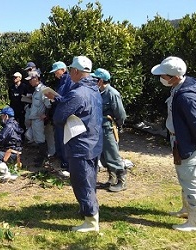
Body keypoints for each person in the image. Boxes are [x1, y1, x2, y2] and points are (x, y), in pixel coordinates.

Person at [151, 56, 196, 231]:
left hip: (187, 144)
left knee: (191, 181)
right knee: (185, 178)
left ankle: (195, 221)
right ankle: (187, 210)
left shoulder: (186, 97)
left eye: (164, 75)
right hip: (179, 140)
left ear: (175, 77)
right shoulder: (180, 87)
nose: (161, 78)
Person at [53, 56, 103, 232]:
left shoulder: (78, 93)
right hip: (94, 140)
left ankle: (90, 221)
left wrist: (59, 102)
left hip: (81, 143)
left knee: (82, 181)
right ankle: (89, 211)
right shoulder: (93, 89)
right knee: (90, 179)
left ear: (74, 71)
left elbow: (59, 117)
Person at [91, 68, 127, 192]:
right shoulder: (98, 92)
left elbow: (120, 113)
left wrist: (118, 125)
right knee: (103, 155)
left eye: (95, 79)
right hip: (99, 127)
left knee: (112, 153)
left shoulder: (112, 93)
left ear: (101, 81)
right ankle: (111, 179)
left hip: (108, 128)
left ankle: (121, 181)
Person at [48, 61, 73, 176]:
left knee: (64, 140)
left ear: (63, 70)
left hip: (64, 116)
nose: (55, 75)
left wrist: (55, 98)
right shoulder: (61, 81)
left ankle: (67, 164)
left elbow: (68, 99)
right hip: (58, 116)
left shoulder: (69, 81)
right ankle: (61, 160)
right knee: (59, 139)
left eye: (56, 72)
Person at [25, 70, 52, 166]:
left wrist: (46, 115)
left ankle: (43, 159)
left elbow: (49, 105)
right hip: (35, 119)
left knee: (41, 139)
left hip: (39, 120)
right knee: (37, 139)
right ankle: (41, 157)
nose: (29, 82)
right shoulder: (36, 91)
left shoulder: (43, 90)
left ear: (36, 78)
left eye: (31, 80)